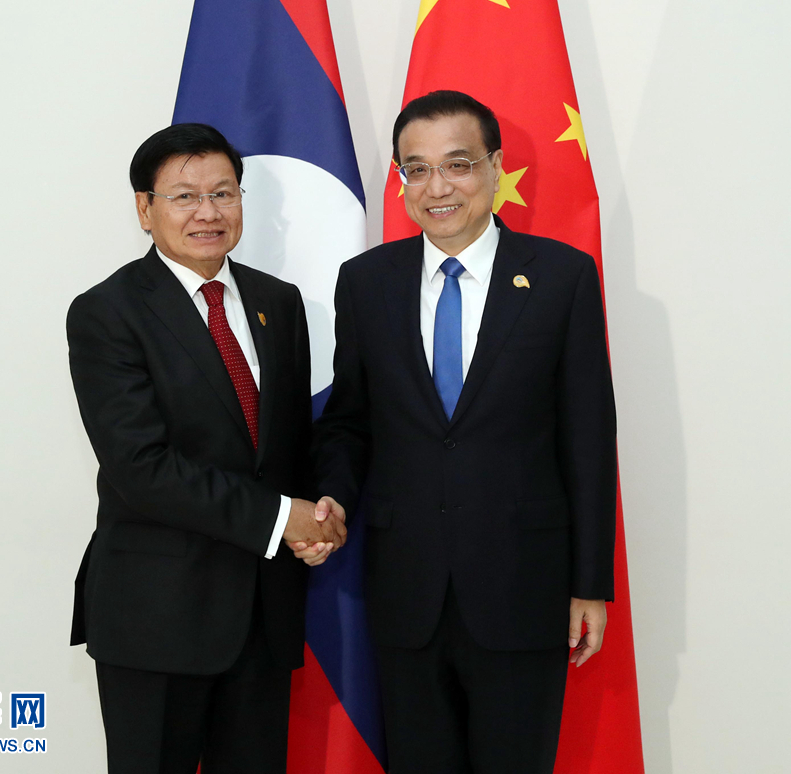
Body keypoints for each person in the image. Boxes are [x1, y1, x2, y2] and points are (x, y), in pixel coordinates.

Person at [305, 91, 617, 774]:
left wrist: (590, 583)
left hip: (523, 588)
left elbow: (589, 440)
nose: (437, 187)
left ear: (495, 167)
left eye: (457, 164)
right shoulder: (366, 283)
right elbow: (351, 421)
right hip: (406, 591)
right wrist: (333, 497)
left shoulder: (562, 277)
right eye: (416, 169)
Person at [66, 123, 345, 774]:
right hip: (156, 617)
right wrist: (284, 518)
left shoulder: (278, 303)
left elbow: (287, 447)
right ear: (145, 209)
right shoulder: (107, 313)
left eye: (223, 193)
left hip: (263, 617)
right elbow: (142, 469)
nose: (208, 212)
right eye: (185, 196)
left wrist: (322, 510)